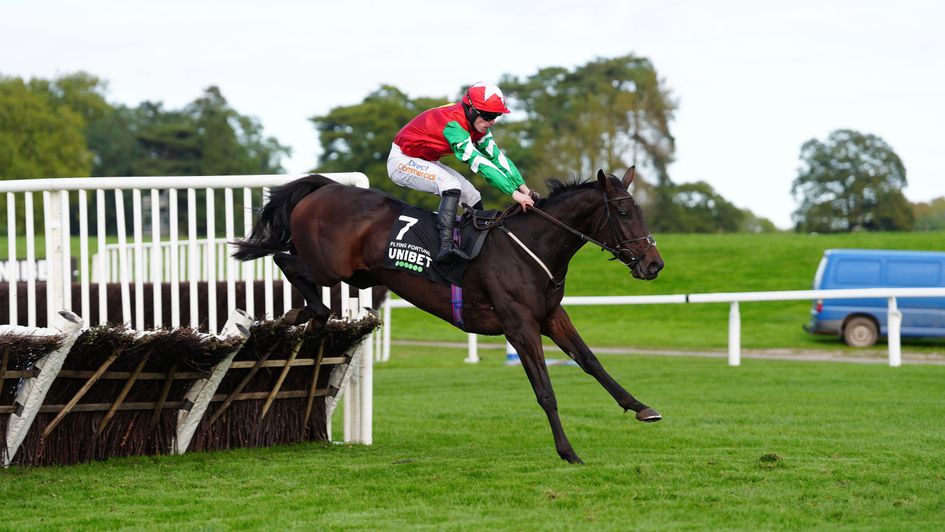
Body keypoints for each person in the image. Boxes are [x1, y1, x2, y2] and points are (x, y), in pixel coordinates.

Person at [387, 81, 535, 261]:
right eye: (489, 115)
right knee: (451, 184)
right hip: (401, 160)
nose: (493, 121)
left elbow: (497, 158)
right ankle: (445, 247)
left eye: (496, 115)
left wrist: (523, 187)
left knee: (472, 195)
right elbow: (479, 163)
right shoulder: (454, 126)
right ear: (471, 110)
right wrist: (512, 193)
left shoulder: (477, 125)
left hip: (424, 160)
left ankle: (475, 244)